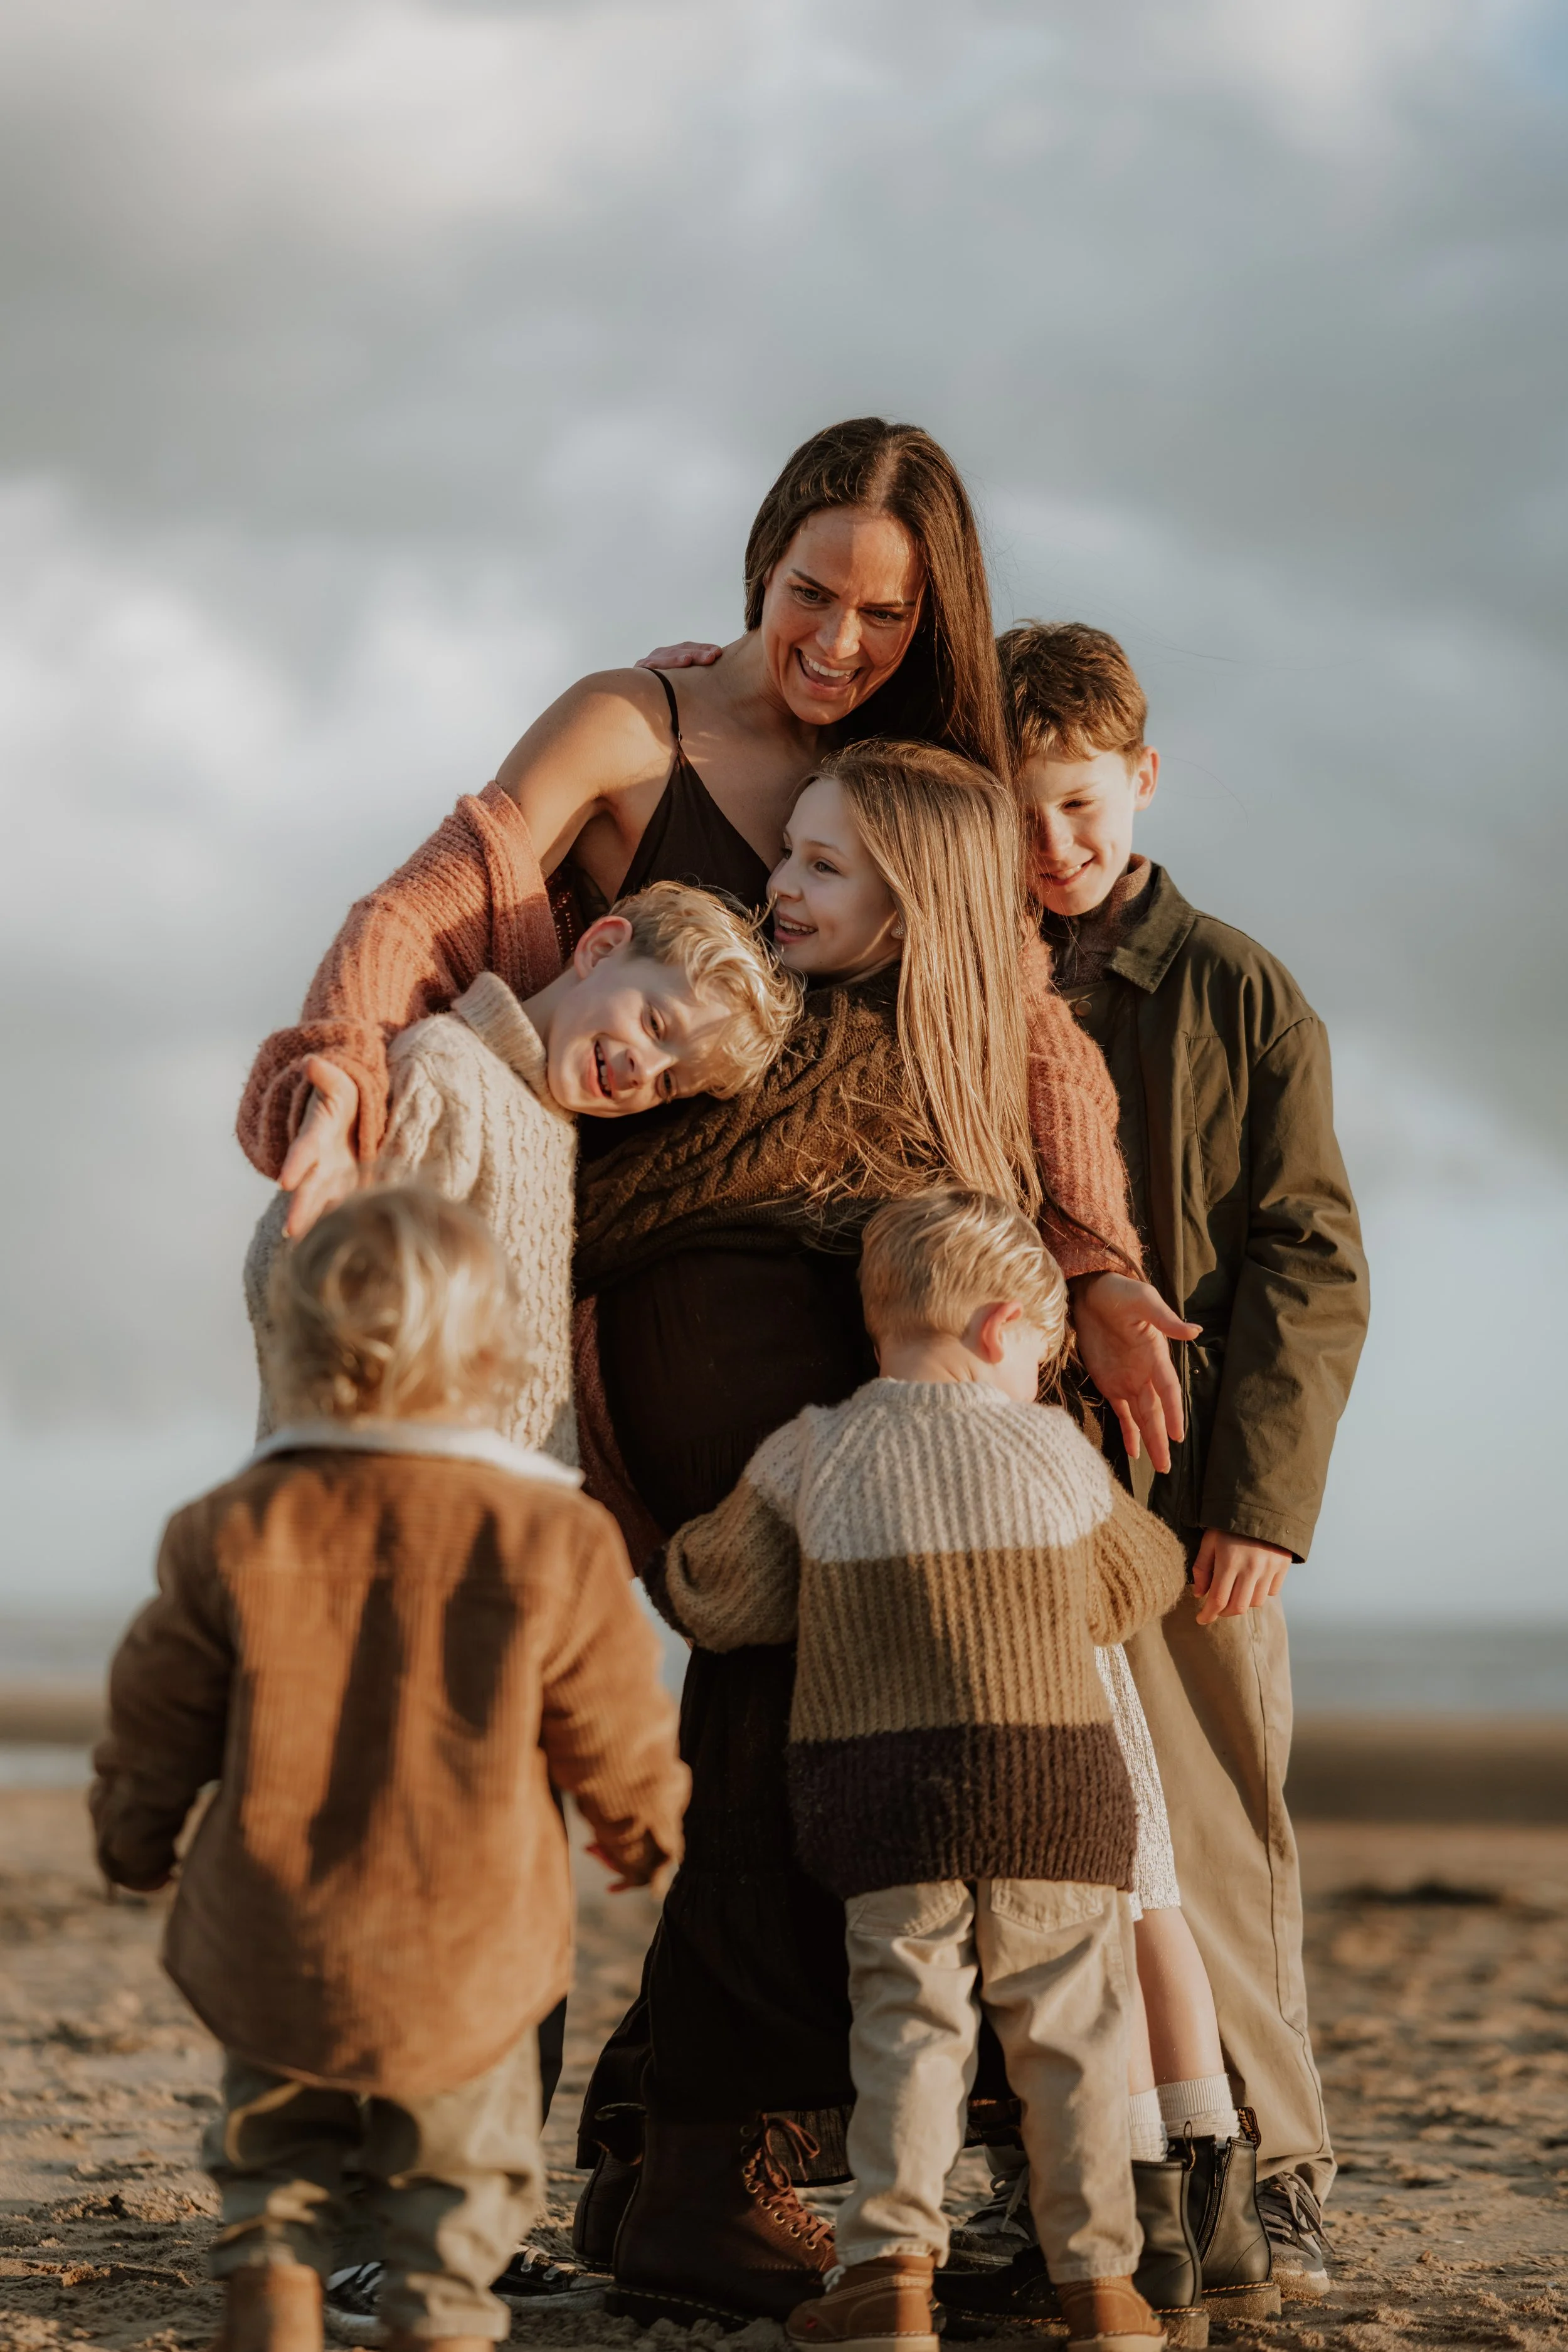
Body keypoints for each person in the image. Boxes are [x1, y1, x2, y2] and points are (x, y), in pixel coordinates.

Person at [235, 417, 1193, 1486]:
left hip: (891, 1309)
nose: (839, 643)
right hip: (684, 1307)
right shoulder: (630, 728)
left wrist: (1094, 1261)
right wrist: (342, 1071)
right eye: (810, 594)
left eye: (886, 614)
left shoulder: (923, 780)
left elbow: (1032, 1033)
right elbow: (422, 912)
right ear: (764, 563)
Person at [569, 743, 1152, 2325]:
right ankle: (701, 2173)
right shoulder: (795, 1040)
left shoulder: (909, 1047)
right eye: (791, 850)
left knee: (780, 1776)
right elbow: (638, 1199)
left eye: (822, 865)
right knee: (782, 1785)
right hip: (752, 1426)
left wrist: (1098, 1269)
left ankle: (674, 2160)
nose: (778, 882)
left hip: (769, 1448)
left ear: (914, 911)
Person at [89, 1187, 688, 2352]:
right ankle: (439, 2315)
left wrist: (133, 1836)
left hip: (275, 1936)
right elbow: (614, 1725)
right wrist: (643, 1831)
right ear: (495, 1350)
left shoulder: (234, 1523)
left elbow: (156, 1714)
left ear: (295, 1344)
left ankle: (274, 2288)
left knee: (278, 2160)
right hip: (469, 1945)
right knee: (458, 2187)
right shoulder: (550, 1533)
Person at [988, 622, 1370, 2302]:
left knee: (1212, 1838)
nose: (1052, 843)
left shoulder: (1238, 988)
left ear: (1140, 777)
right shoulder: (958, 973)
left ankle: (1275, 2175)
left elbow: (1310, 1260)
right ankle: (1074, 2178)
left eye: (1079, 802)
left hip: (1192, 1491)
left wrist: (1262, 1506)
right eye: (1018, 811)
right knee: (1047, 1847)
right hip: (1012, 1490)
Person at [650, 1187, 1188, 2352]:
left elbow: (718, 1597)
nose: (1039, 1376)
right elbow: (1139, 1580)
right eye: (1043, 1355)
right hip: (1057, 1796)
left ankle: (890, 2277)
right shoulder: (1052, 1450)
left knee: (908, 2030)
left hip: (887, 1802)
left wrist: (671, 1547)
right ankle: (1104, 2286)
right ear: (1004, 1330)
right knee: (1074, 2038)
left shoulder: (814, 1449)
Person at [245, 881, 800, 1465]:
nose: (646, 1069)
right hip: (396, 1490)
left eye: (669, 1084)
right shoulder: (445, 1072)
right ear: (600, 949)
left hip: (500, 1504)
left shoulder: (550, 1128)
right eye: (657, 1025)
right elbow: (329, 1307)